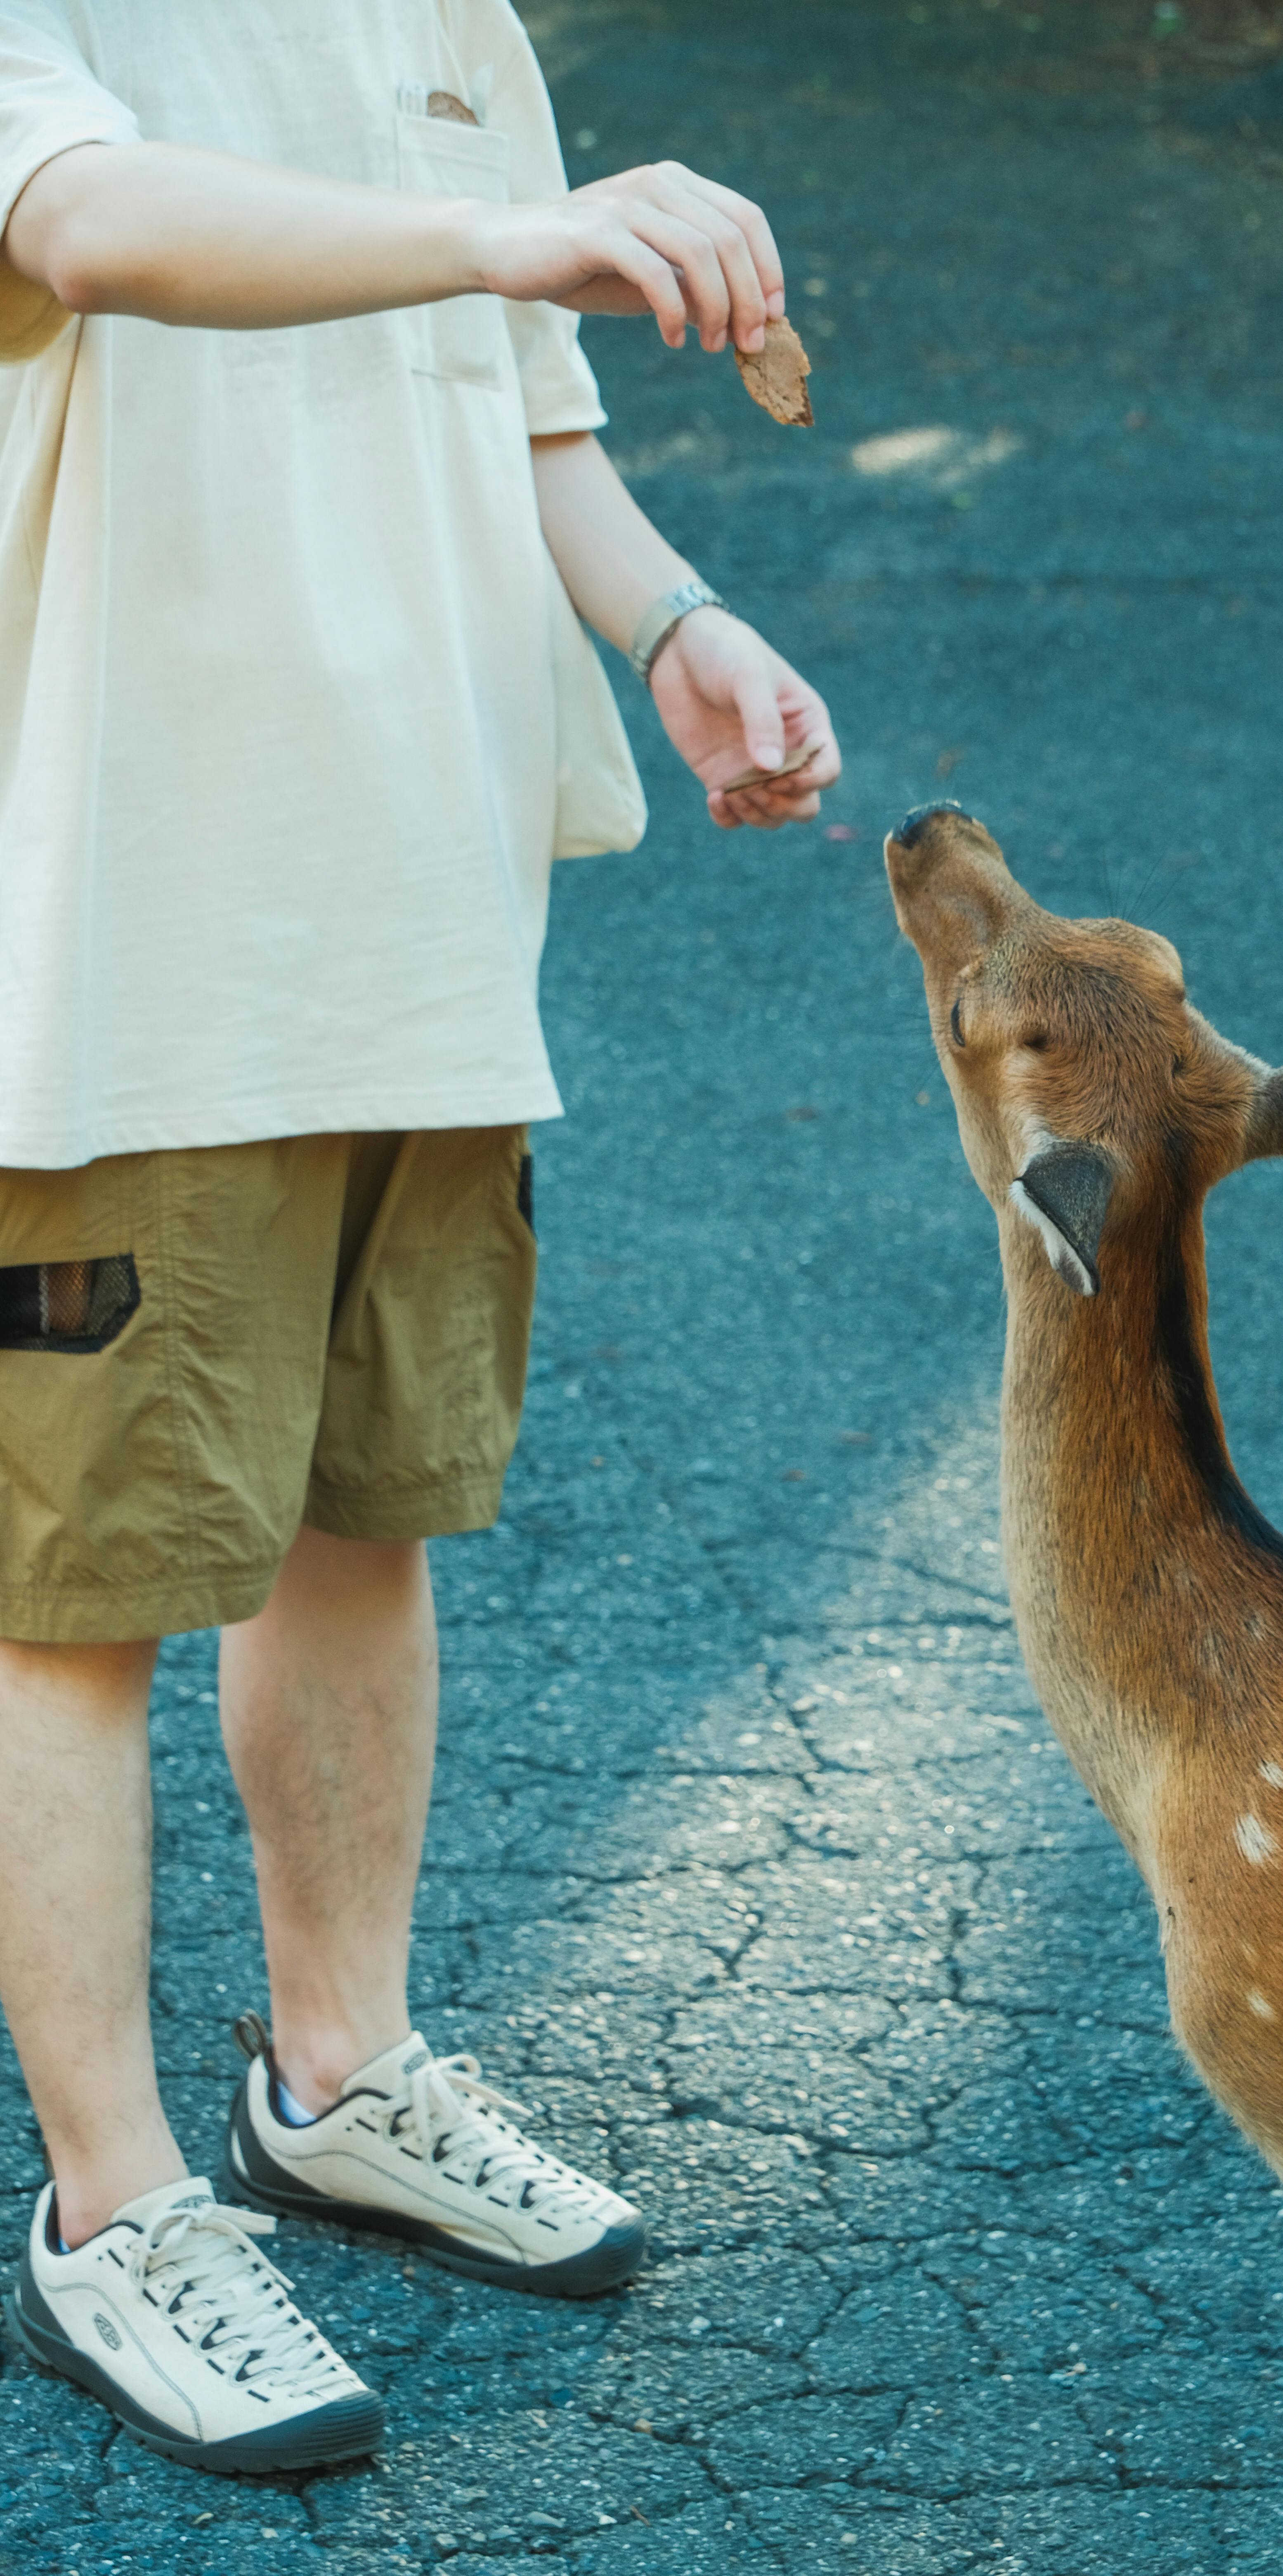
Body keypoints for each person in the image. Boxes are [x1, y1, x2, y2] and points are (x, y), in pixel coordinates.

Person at [0, 0, 840, 2475]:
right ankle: (113, 2208)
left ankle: (337, 2071)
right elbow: (86, 224)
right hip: (134, 945)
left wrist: (677, 622)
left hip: (428, 925)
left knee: (370, 1518)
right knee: (79, 1590)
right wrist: (507, 228)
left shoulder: (451, 21)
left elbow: (530, 425)